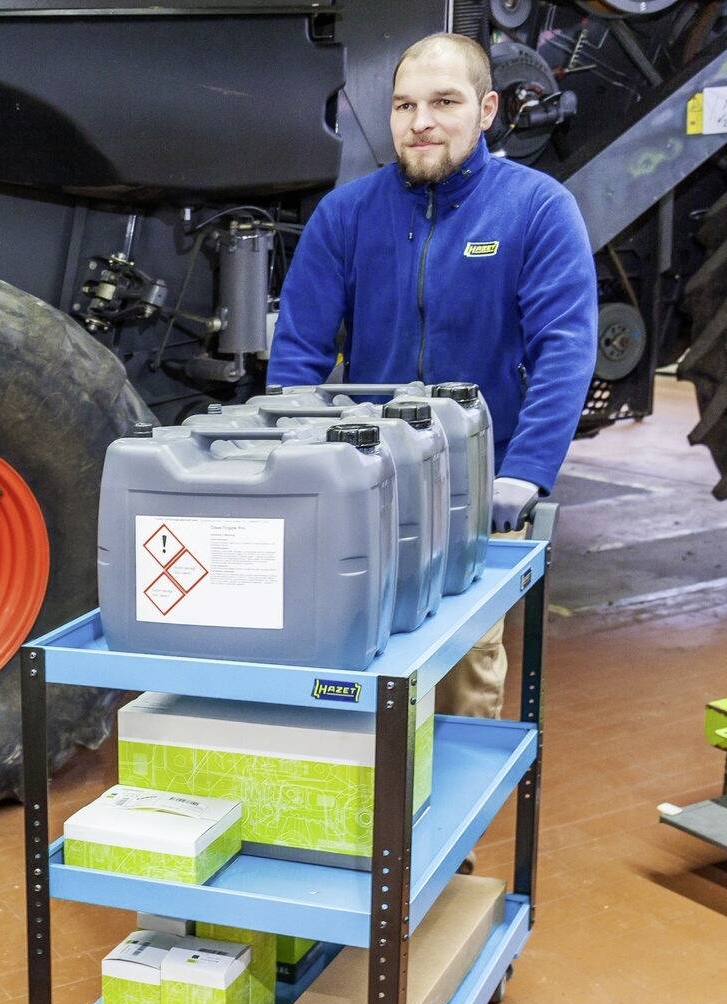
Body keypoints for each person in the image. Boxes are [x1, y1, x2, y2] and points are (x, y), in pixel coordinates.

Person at [269, 31, 597, 719]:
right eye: (403, 105)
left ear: (486, 110)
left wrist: (526, 470)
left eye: (444, 102)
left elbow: (565, 347)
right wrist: (292, 463)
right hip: (363, 485)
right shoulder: (345, 216)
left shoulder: (536, 209)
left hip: (478, 492)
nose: (420, 122)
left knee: (463, 675)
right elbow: (298, 353)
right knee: (353, 668)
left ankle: (449, 825)